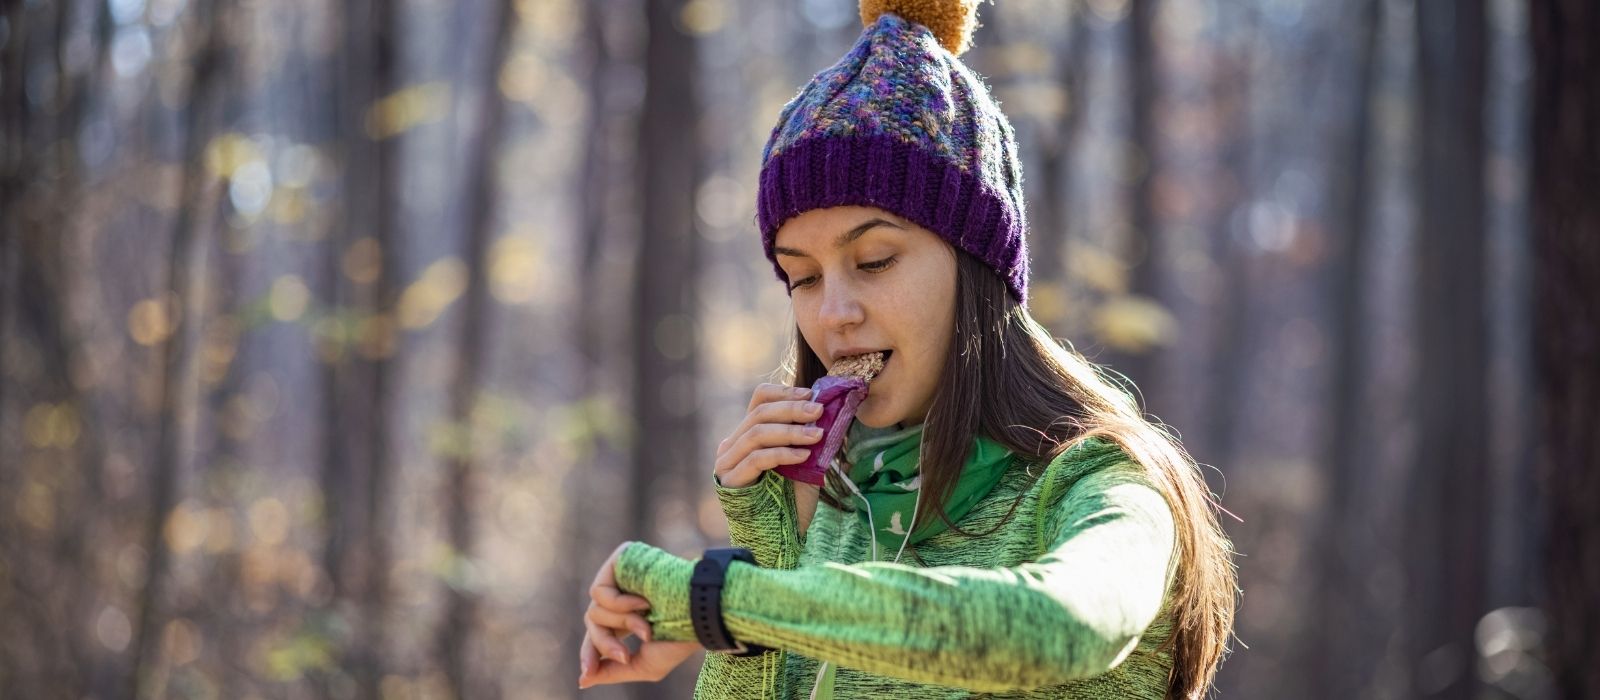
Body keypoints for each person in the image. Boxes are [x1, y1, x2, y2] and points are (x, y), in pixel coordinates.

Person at [578, 1, 1238, 697]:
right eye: (802, 277)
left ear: (976, 266)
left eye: (875, 260)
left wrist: (720, 598)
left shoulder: (1101, 485)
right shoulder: (836, 501)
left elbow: (1056, 629)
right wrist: (771, 553)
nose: (832, 314)